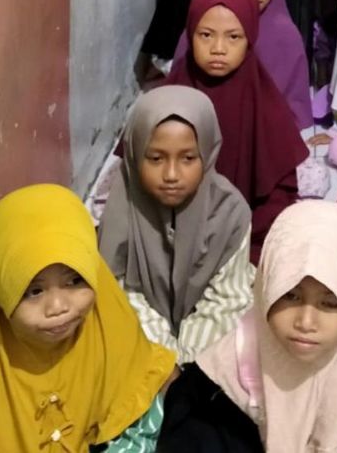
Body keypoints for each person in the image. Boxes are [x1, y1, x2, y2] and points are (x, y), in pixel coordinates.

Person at [156, 200, 337, 453]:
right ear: (266, 288)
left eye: (330, 303)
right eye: (290, 296)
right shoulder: (228, 369)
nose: (306, 322)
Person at [0, 184, 177, 452]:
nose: (58, 307)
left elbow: (148, 384)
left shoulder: (107, 324)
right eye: (34, 291)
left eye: (74, 281)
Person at [99, 85, 254, 364]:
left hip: (207, 348)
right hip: (143, 343)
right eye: (156, 158)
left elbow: (226, 299)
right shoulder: (121, 209)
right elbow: (121, 294)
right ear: (135, 153)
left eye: (188, 158)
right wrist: (165, 360)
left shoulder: (230, 212)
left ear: (208, 153)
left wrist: (188, 364)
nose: (171, 174)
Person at [166, 0, 308, 261]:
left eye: (233, 37)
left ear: (250, 38)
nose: (218, 48)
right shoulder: (173, 93)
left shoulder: (264, 100)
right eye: (206, 35)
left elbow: (279, 186)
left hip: (245, 229)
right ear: (190, 33)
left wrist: (245, 232)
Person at [172, 0, 312, 130]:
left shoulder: (286, 35)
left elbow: (294, 111)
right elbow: (177, 95)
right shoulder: (203, 23)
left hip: (265, 136)